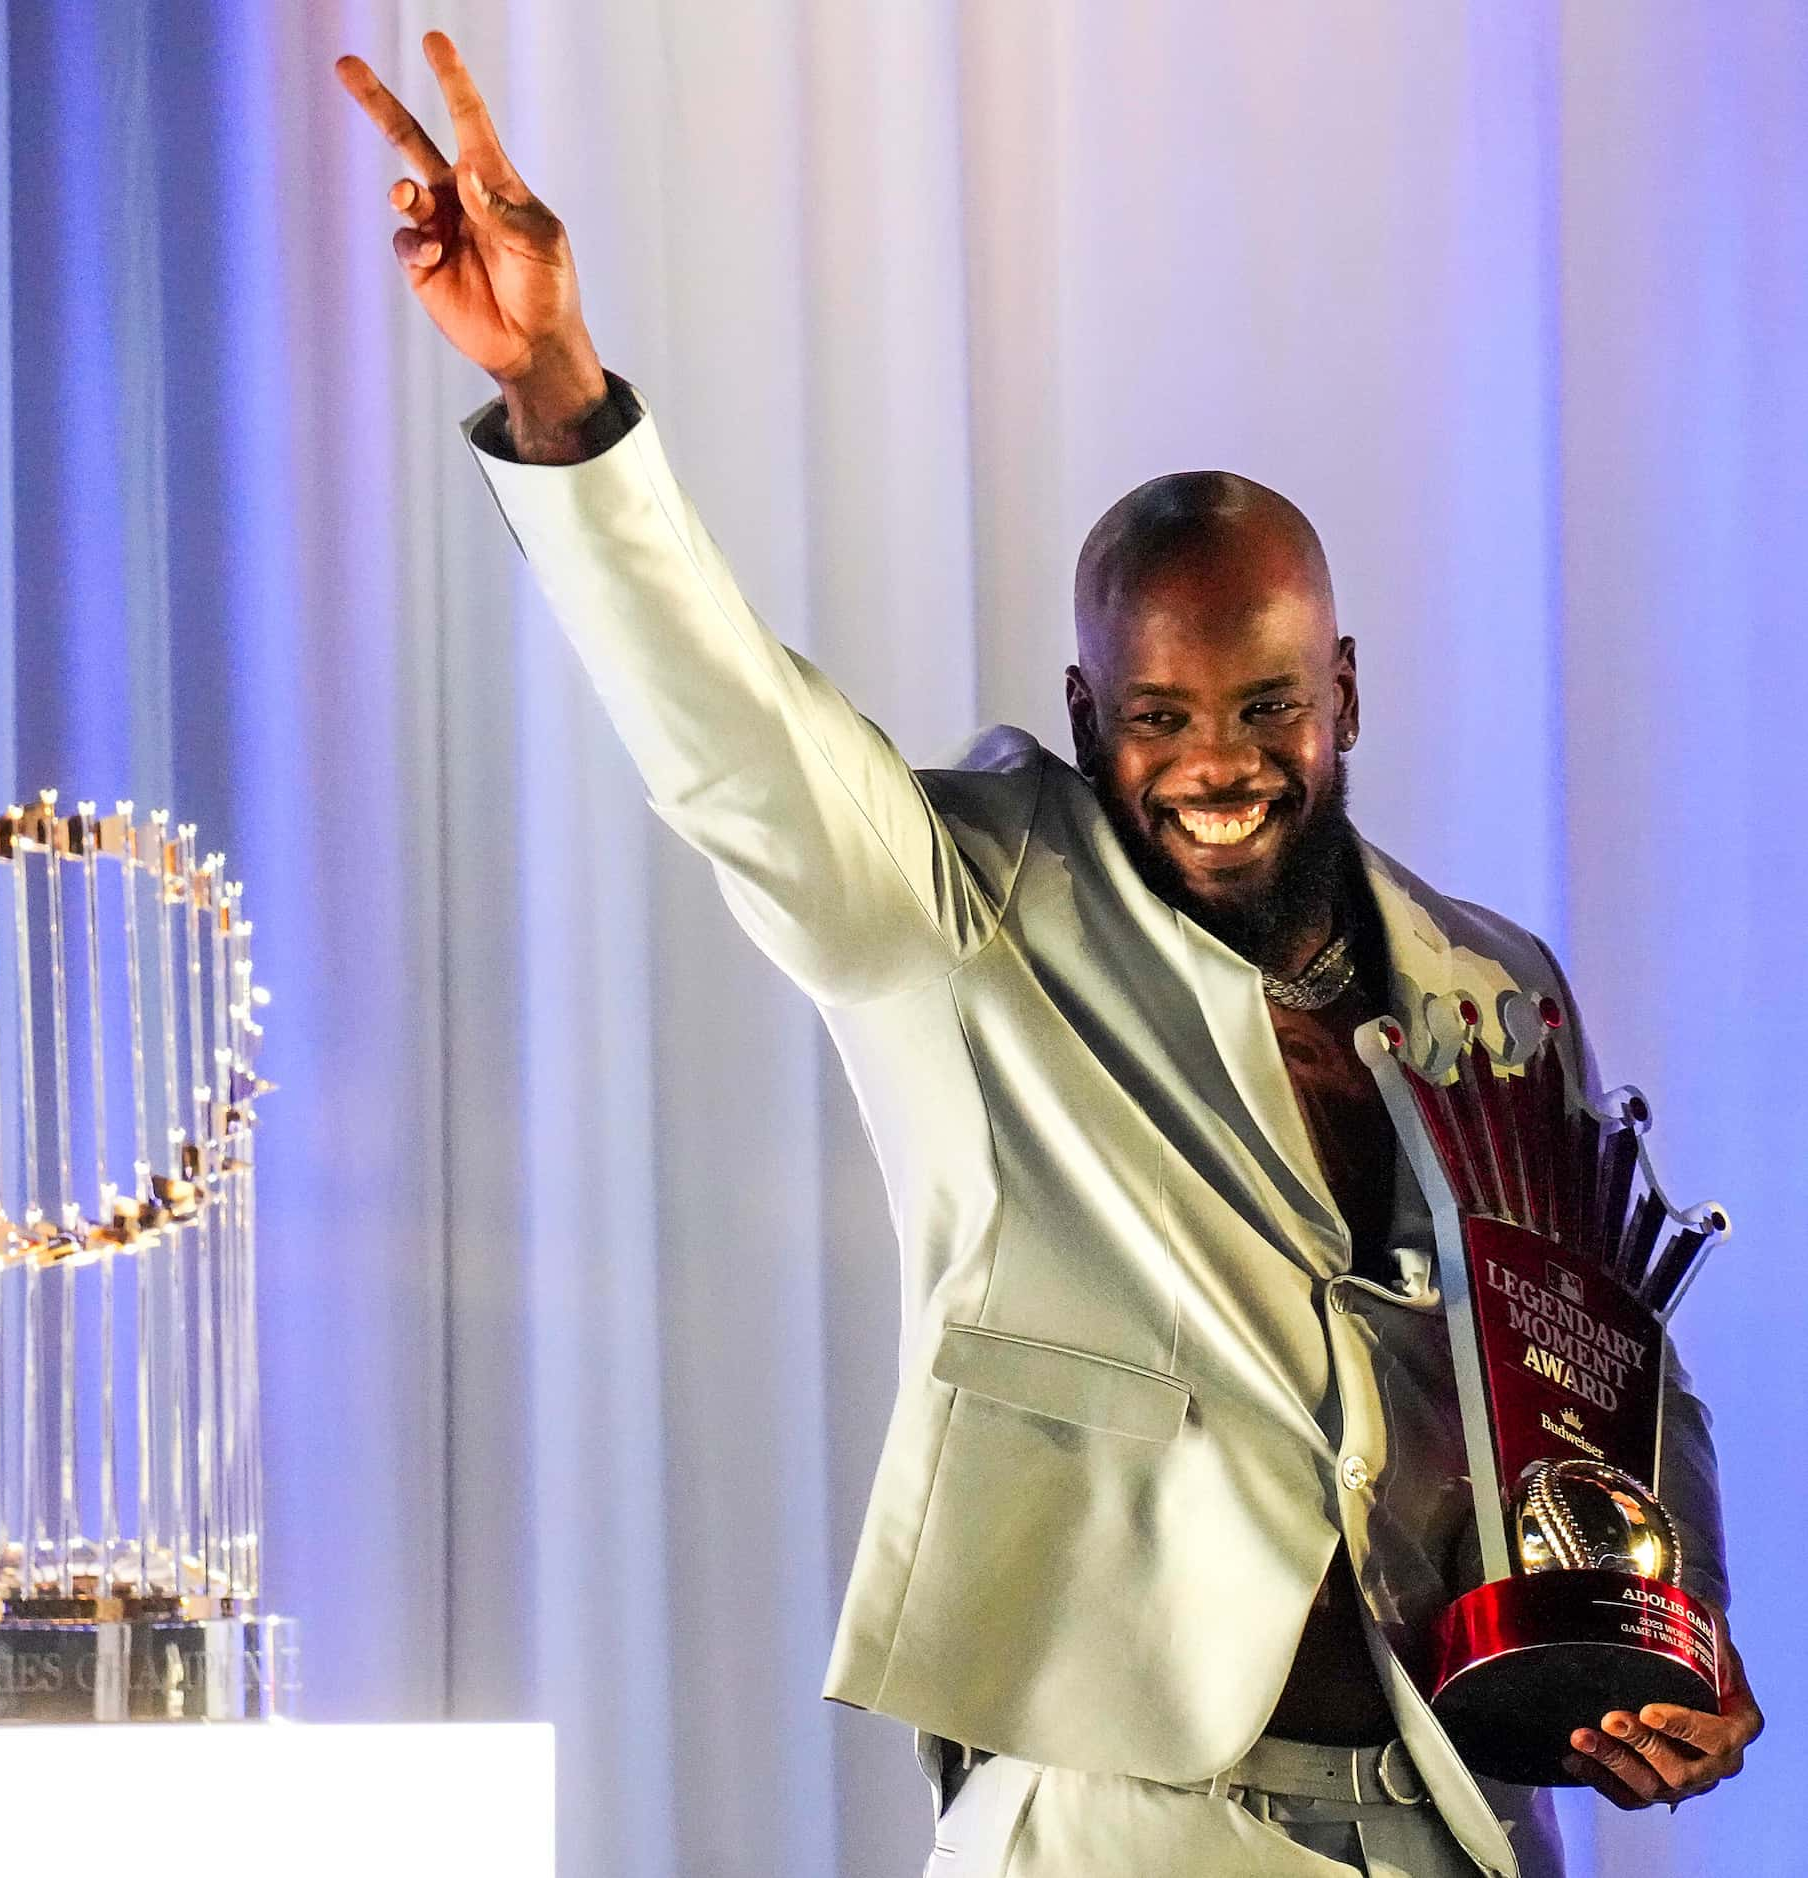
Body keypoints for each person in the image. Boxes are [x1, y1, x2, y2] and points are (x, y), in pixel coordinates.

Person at [335, 33, 1764, 1878]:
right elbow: (734, 742)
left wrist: (1684, 1644)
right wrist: (561, 395)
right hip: (1126, 1824)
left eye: (1266, 704)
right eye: (1160, 714)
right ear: (1089, 712)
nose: (1218, 765)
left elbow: (1605, 1353)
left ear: (1348, 692)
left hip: (1455, 1819)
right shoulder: (965, 904)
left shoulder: (1496, 987)